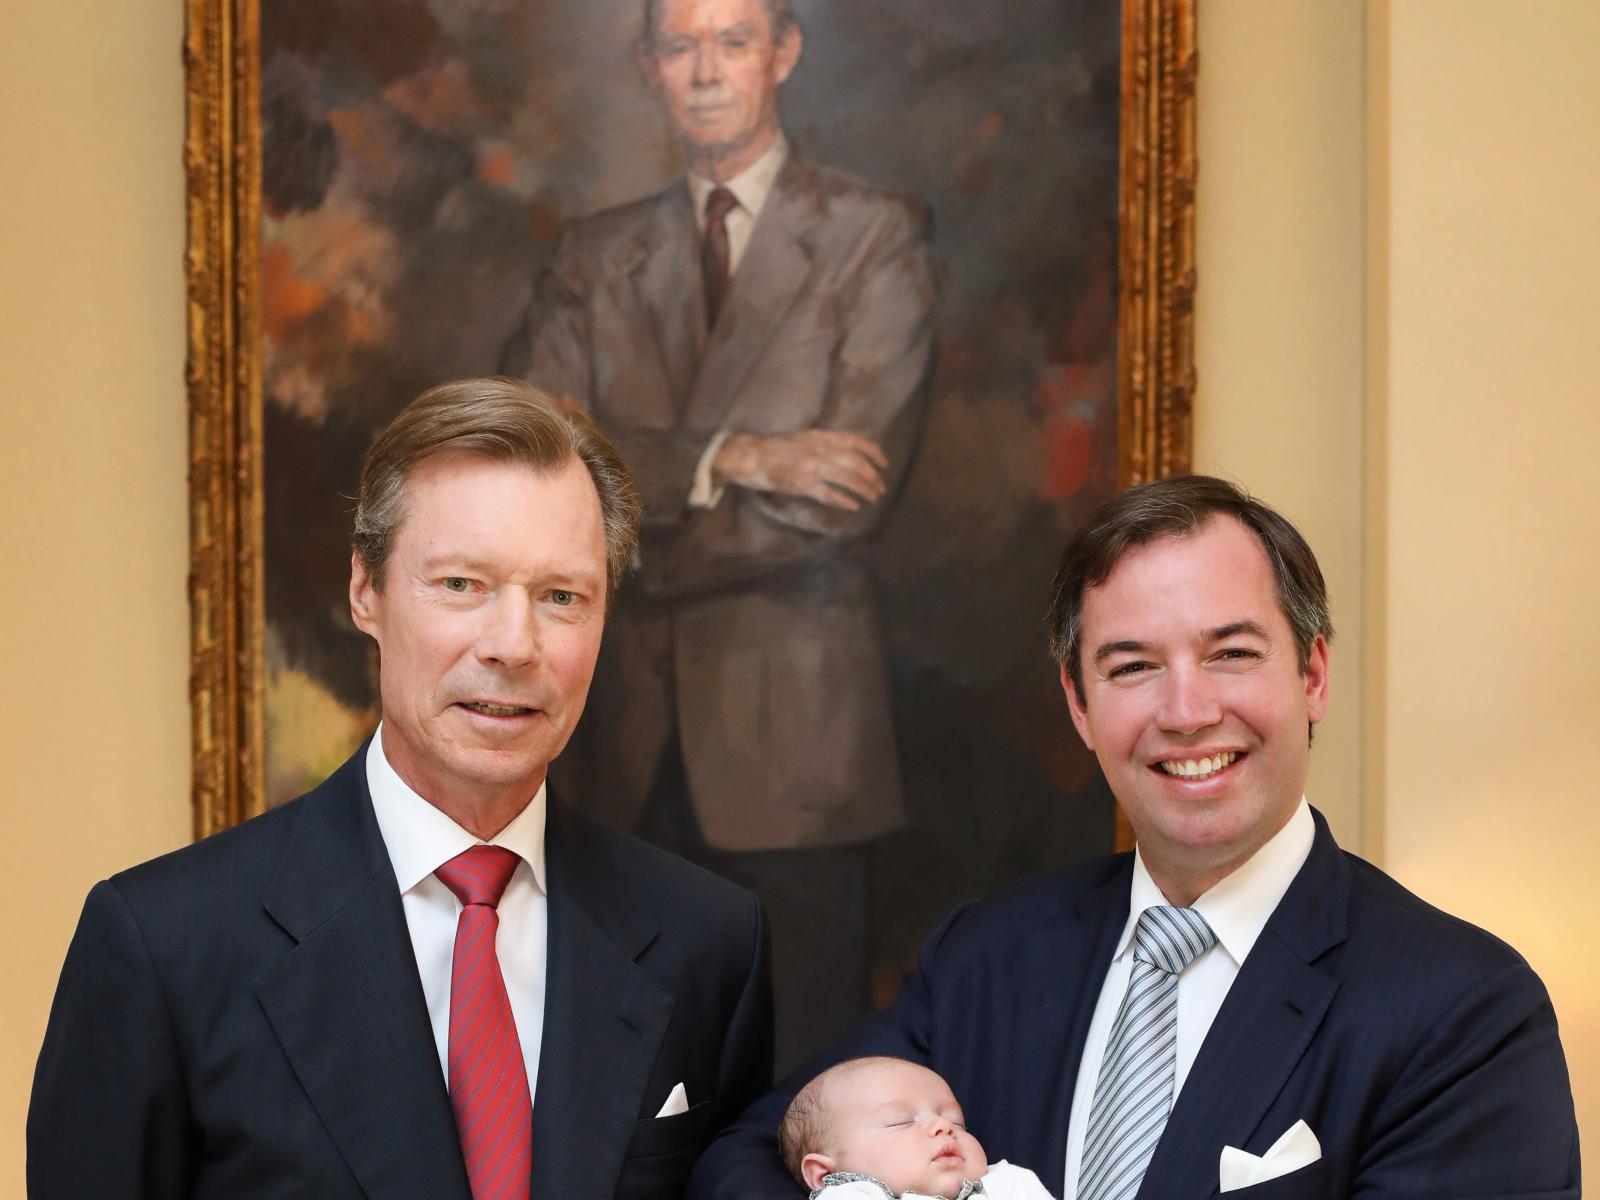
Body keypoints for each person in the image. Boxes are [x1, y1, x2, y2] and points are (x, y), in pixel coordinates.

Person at [689, 474, 1580, 1198]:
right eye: (1133, 667)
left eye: (1231, 653)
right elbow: (752, 1159)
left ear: (1311, 676)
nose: (1187, 712)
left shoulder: (1463, 1013)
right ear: (1080, 706)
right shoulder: (986, 958)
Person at [28, 377, 772, 1199]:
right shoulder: (162, 945)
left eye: (562, 597)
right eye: (461, 584)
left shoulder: (708, 943)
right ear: (365, 591)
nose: (513, 644)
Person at [507, 0, 938, 1068]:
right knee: (613, 1109)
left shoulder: (873, 234)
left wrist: (625, 518)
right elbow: (529, 458)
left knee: (806, 1109)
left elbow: (846, 503)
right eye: (679, 44)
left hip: (795, 755)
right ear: (649, 67)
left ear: (782, 54)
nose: (705, 70)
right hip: (615, 744)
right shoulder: (594, 255)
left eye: (733, 41)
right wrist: (738, 456)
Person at [781, 1057, 1054, 1200]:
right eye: (900, 1121)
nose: (944, 1126)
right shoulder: (852, 1195)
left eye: (957, 1122)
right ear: (827, 1175)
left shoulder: (1010, 1184)